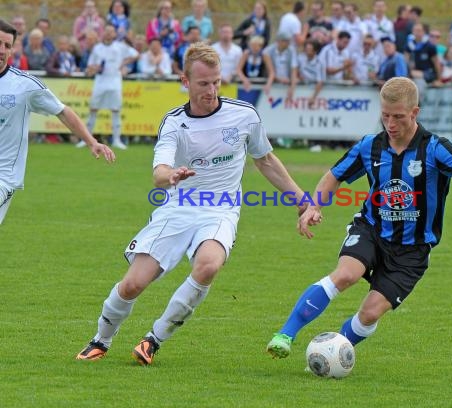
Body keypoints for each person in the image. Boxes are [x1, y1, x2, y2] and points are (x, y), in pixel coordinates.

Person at [76, 42, 306, 365]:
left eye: (216, 82)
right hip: (178, 207)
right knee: (132, 284)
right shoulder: (173, 123)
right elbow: (158, 172)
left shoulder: (244, 116)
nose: (211, 91)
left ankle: (153, 340)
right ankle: (101, 339)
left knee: (209, 264)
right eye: (203, 84)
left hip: (221, 210)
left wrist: (301, 200)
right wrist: (171, 174)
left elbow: (266, 160)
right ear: (185, 81)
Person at [266, 76, 452, 359]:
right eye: (385, 116)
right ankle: (285, 334)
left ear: (415, 113)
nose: (390, 124)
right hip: (372, 229)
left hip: (412, 251)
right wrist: (315, 206)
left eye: (398, 117)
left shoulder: (435, 148)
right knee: (346, 274)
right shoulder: (370, 146)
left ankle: (332, 351)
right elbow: (334, 176)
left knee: (370, 313)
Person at [0, 19, 115, 225]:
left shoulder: (25, 85)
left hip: (4, 176)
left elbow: (62, 111)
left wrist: (91, 141)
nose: (2, 50)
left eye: (7, 46)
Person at [76, 23, 138, 150]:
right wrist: (95, 68)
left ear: (115, 34)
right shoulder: (97, 48)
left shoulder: (120, 47)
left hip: (115, 81)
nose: (109, 33)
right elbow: (90, 66)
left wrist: (123, 63)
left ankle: (116, 140)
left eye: (111, 31)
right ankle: (87, 139)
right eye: (107, 31)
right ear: (103, 33)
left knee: (115, 110)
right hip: (100, 82)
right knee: (93, 109)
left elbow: (136, 54)